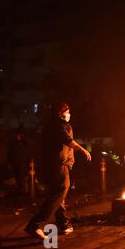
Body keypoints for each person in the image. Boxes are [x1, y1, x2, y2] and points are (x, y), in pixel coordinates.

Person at [25, 103, 91, 240]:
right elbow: (68, 141)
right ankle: (35, 224)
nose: (69, 114)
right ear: (61, 113)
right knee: (60, 191)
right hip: (58, 166)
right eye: (68, 112)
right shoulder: (59, 126)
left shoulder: (51, 125)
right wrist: (83, 150)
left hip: (54, 165)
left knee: (58, 194)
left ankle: (63, 224)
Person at [6, 126, 31, 195]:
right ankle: (20, 189)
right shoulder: (12, 141)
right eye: (17, 134)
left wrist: (23, 139)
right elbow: (9, 152)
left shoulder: (25, 141)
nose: (18, 136)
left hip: (21, 162)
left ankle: (23, 190)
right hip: (14, 161)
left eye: (20, 134)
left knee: (21, 176)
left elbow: (30, 145)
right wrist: (8, 162)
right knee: (17, 176)